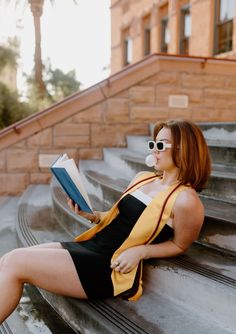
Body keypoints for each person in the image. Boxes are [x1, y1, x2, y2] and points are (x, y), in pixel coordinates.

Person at [0, 119, 211, 323]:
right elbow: (119, 218)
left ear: (184, 150)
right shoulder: (143, 178)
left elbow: (179, 244)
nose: (153, 150)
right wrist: (92, 215)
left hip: (107, 267)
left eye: (160, 145)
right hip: (91, 246)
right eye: (152, 144)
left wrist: (141, 251)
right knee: (7, 259)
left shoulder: (186, 201)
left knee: (15, 262)